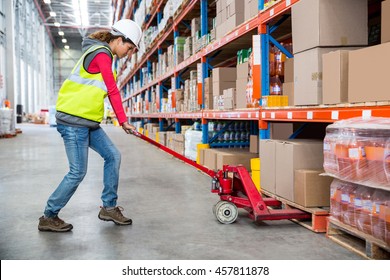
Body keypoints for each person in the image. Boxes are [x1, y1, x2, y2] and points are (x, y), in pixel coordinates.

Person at [38, 19, 142, 232]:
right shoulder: (101, 54)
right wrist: (123, 121)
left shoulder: (104, 55)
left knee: (113, 156)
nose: (129, 53)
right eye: (129, 48)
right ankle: (49, 215)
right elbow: (112, 90)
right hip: (74, 121)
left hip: (87, 122)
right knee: (77, 172)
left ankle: (109, 207)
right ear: (119, 40)